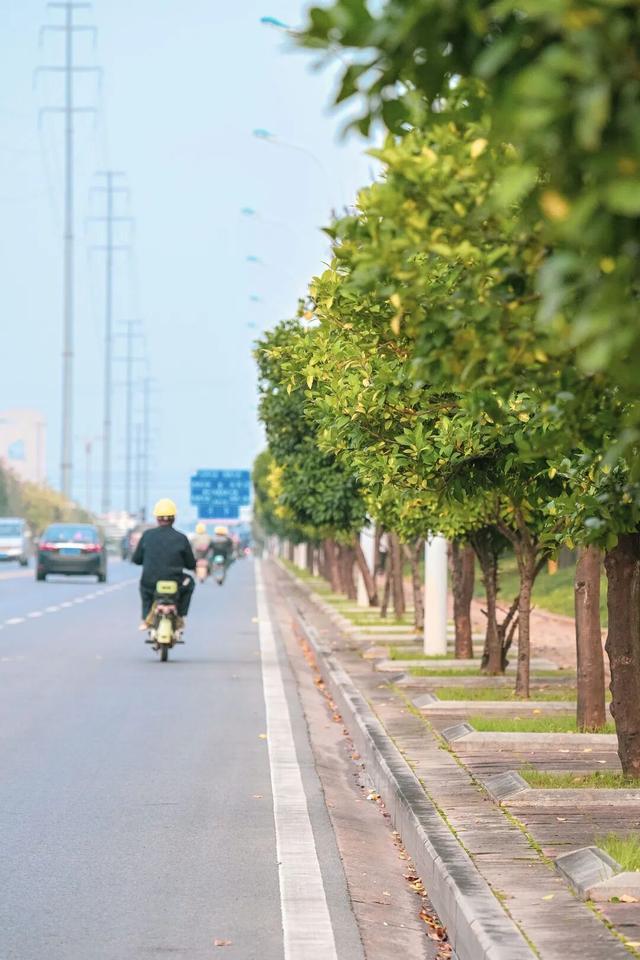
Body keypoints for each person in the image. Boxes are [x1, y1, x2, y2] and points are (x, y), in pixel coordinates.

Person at [132, 498, 196, 632]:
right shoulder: (181, 538)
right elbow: (190, 564)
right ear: (174, 518)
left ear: (157, 518)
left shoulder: (147, 536)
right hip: (176, 582)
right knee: (189, 582)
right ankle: (180, 615)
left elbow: (137, 559)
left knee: (144, 590)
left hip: (150, 582)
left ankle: (145, 618)